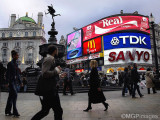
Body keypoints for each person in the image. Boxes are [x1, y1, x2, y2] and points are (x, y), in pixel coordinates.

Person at [31, 45, 63, 120]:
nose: (57, 51)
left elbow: (49, 72)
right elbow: (45, 73)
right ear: (55, 51)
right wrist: (56, 71)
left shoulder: (50, 58)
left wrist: (59, 74)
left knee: (45, 111)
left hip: (50, 89)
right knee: (57, 111)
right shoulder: (49, 59)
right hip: (50, 90)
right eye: (57, 50)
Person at [5, 50, 22, 117]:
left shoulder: (16, 64)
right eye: (17, 55)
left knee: (10, 97)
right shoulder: (10, 63)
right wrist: (7, 82)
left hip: (15, 82)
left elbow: (17, 74)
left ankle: (7, 111)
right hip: (11, 82)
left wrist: (20, 82)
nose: (18, 56)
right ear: (14, 56)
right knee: (14, 95)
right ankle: (15, 112)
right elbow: (7, 74)